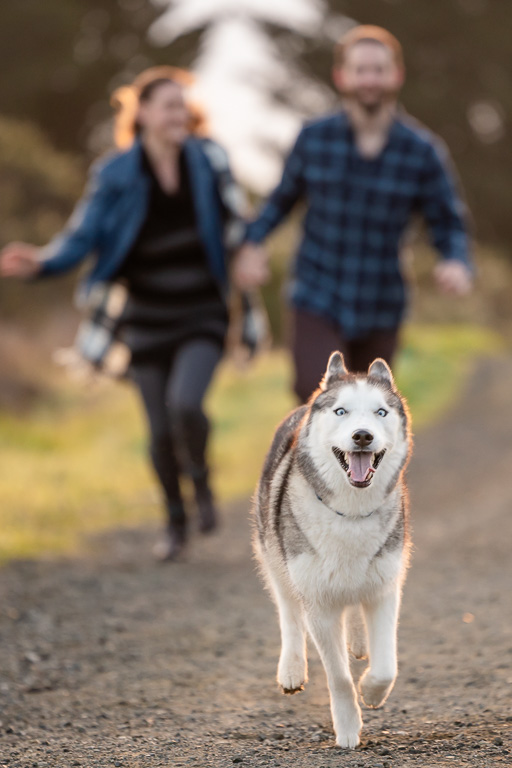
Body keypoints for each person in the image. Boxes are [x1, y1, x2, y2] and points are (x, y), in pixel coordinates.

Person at [0, 67, 247, 561]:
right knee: (157, 430)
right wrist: (44, 261)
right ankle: (175, 523)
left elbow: (238, 219)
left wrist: (252, 251)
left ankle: (199, 478)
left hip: (202, 310)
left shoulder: (208, 159)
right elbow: (83, 234)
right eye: (169, 105)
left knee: (186, 406)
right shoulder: (114, 173)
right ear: (145, 114)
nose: (180, 114)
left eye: (184, 105)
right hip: (144, 316)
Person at [234, 25, 473, 402]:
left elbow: (447, 220)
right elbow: (280, 201)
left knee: (368, 409)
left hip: (381, 300)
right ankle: (312, 462)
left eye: (378, 70)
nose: (369, 79)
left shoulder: (421, 151)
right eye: (360, 70)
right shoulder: (314, 139)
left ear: (396, 75)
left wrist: (455, 260)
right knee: (319, 395)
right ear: (341, 76)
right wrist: (252, 242)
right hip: (318, 291)